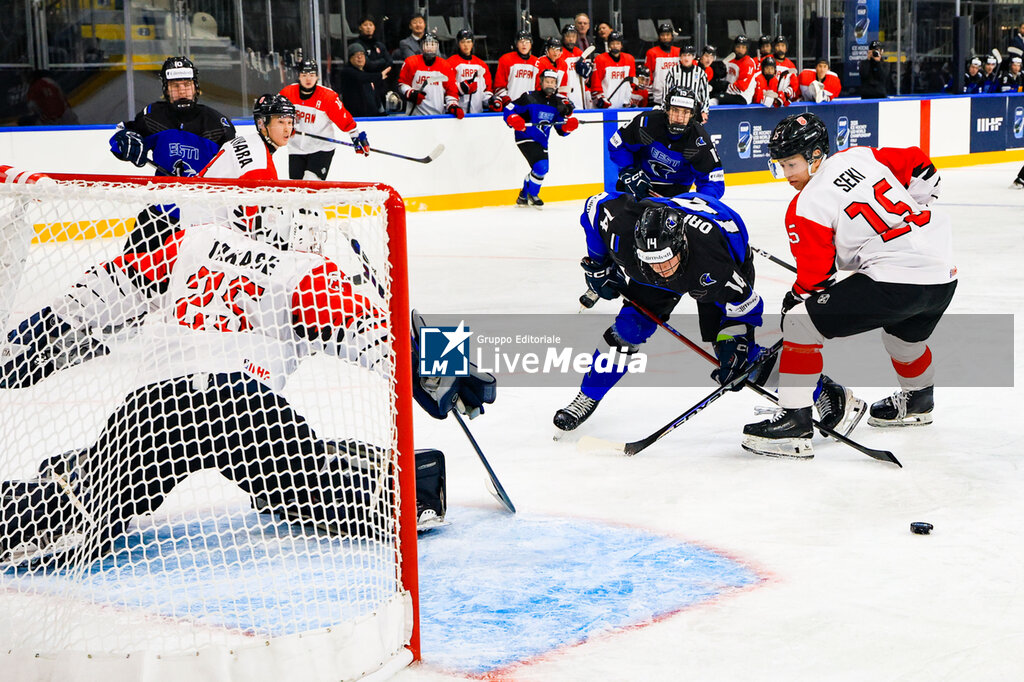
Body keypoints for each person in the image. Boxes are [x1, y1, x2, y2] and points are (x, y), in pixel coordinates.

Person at [742, 113, 955, 458]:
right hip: (943, 273)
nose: (787, 175)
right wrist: (911, 213)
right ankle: (918, 400)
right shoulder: (858, 156)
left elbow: (816, 282)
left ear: (814, 156)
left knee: (799, 321)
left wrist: (793, 300)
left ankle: (794, 423)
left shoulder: (806, 205)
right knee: (902, 338)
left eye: (792, 164)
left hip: (897, 280)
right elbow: (920, 164)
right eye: (781, 165)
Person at [552, 193, 768, 433]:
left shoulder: (714, 266)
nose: (661, 270)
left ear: (681, 246)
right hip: (673, 239)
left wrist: (734, 344)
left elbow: (746, 304)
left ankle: (807, 390)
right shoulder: (622, 230)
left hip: (720, 246)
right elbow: (593, 206)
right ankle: (588, 395)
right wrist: (599, 265)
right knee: (628, 328)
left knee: (739, 357)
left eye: (666, 262)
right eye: (652, 262)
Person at [109, 56, 235, 177]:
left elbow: (234, 165)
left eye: (187, 85)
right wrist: (124, 141)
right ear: (166, 90)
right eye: (175, 86)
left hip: (205, 195)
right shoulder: (153, 116)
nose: (182, 91)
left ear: (195, 88)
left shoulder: (217, 123)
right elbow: (120, 139)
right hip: (164, 196)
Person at [608, 86, 724, 201]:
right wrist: (629, 171)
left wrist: (700, 202)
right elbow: (617, 144)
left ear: (692, 114)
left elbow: (713, 181)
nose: (679, 118)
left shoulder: (699, 140)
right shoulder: (646, 123)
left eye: (685, 112)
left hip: (675, 192)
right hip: (636, 182)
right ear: (667, 110)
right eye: (675, 110)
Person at [279, 60, 369, 181]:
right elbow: (276, 117)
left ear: (317, 76)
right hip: (296, 148)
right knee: (297, 189)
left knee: (310, 184)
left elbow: (343, 119)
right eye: (304, 75)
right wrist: (284, 129)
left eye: (311, 75)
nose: (308, 79)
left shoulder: (327, 97)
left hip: (321, 148)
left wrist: (356, 137)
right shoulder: (287, 94)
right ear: (299, 76)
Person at [503, 70, 579, 207]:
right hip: (525, 136)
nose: (550, 84)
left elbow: (560, 129)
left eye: (553, 82)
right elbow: (509, 109)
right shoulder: (529, 97)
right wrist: (513, 119)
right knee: (541, 166)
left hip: (542, 140)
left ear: (556, 85)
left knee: (541, 169)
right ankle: (532, 194)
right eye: (547, 81)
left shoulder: (557, 103)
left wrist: (568, 127)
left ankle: (523, 195)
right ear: (541, 82)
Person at [200, 94, 295, 182]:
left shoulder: (249, 140)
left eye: (290, 123)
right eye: (281, 122)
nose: (287, 129)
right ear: (261, 123)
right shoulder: (261, 168)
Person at [398, 34, 462, 118]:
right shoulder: (411, 62)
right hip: (415, 116)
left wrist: (452, 105)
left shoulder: (445, 65)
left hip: (438, 115)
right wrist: (411, 93)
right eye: (426, 44)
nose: (429, 47)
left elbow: (451, 90)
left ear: (437, 46)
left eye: (432, 44)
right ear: (422, 46)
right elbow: (402, 84)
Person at [336, 43, 389, 117]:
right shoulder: (347, 72)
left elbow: (375, 97)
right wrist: (380, 75)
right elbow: (360, 77)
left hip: (372, 118)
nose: (360, 57)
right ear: (350, 58)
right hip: (356, 119)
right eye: (356, 55)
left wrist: (381, 113)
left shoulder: (366, 74)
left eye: (362, 54)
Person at [449, 29, 493, 114]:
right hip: (457, 113)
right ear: (458, 43)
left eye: (469, 42)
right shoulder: (451, 63)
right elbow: (448, 87)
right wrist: (460, 88)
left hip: (478, 112)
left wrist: (491, 101)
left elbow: (487, 89)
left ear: (472, 44)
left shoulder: (481, 65)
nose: (466, 45)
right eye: (463, 42)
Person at [492, 31, 538, 111]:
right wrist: (507, 102)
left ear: (531, 44)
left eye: (527, 42)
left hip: (531, 108)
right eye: (521, 41)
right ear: (516, 44)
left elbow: (539, 88)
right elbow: (498, 87)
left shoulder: (537, 63)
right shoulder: (506, 60)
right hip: (511, 107)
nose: (524, 44)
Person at [664, 45, 711, 121]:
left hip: (694, 108)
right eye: (684, 55)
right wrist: (666, 110)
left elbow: (705, 95)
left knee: (694, 131)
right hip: (677, 108)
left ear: (693, 57)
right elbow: (666, 92)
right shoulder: (673, 71)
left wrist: (704, 111)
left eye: (689, 55)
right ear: (680, 57)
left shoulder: (700, 72)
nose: (686, 58)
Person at [591, 32, 636, 109]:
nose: (615, 46)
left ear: (621, 45)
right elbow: (596, 82)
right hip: (607, 104)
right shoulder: (600, 59)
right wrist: (599, 98)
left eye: (617, 43)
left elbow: (632, 82)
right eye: (612, 43)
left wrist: (629, 97)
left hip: (623, 104)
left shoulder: (629, 59)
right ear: (608, 45)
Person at [645, 23, 681, 106]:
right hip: (658, 96)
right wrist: (649, 93)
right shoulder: (652, 53)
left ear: (672, 36)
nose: (665, 38)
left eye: (668, 35)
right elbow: (648, 73)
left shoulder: (679, 52)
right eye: (662, 35)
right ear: (659, 36)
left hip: (677, 96)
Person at [561, 24, 591, 110]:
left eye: (573, 36)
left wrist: (587, 71)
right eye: (568, 36)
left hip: (579, 94)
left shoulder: (579, 52)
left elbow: (585, 78)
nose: (571, 39)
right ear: (563, 37)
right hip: (566, 93)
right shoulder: (559, 53)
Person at [720, 35, 757, 104]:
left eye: (743, 47)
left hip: (743, 96)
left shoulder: (748, 63)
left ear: (746, 49)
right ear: (734, 47)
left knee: (718, 99)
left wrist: (724, 87)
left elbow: (742, 87)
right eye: (738, 47)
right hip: (729, 93)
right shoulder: (730, 59)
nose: (740, 50)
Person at [771, 36, 798, 102]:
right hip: (768, 97)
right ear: (774, 47)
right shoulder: (768, 60)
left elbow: (794, 85)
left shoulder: (790, 65)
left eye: (782, 45)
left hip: (783, 99)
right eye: (778, 45)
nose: (780, 48)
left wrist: (785, 94)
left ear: (786, 48)